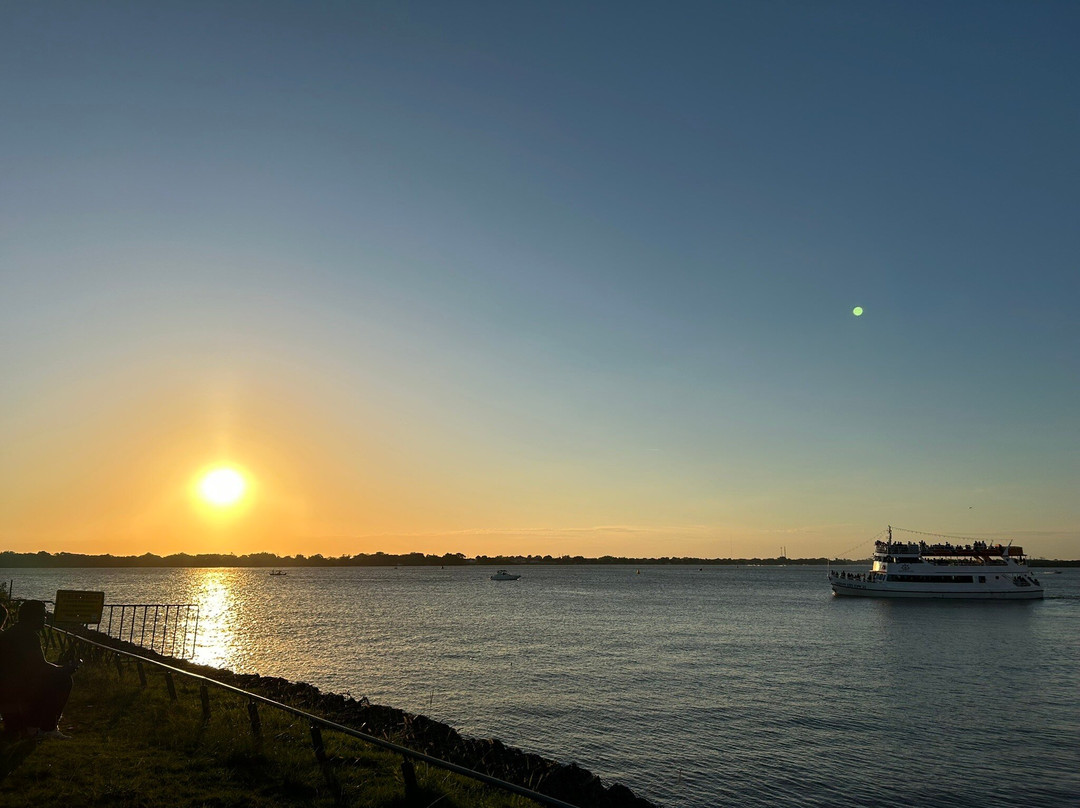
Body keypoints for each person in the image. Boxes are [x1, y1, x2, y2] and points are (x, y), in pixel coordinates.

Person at [0, 600, 78, 739]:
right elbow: (41, 667)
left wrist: (58, 667)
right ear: (32, 617)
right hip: (16, 688)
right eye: (42, 615)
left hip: (8, 686)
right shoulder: (28, 636)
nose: (45, 618)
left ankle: (31, 725)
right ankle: (47, 728)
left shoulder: (14, 632)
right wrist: (65, 669)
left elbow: (33, 665)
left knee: (53, 677)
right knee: (64, 680)